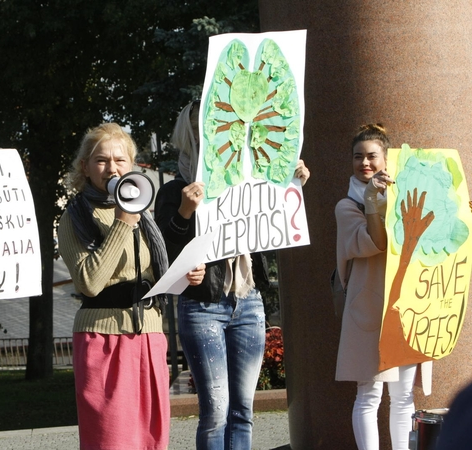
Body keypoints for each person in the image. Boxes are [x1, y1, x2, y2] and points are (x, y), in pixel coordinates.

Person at [154, 100, 310, 450]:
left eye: (215, 123)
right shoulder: (172, 189)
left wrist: (292, 183)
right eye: (198, 127)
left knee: (243, 409)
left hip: (247, 301)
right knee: (216, 411)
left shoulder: (245, 181)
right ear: (187, 133)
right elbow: (163, 249)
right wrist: (184, 211)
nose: (208, 133)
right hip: (202, 307)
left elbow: (274, 222)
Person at [58, 122, 176, 450]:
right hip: (103, 338)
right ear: (85, 167)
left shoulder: (143, 214)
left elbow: (152, 270)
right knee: (110, 441)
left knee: (152, 440)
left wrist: (183, 275)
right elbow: (89, 282)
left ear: (132, 165)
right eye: (101, 160)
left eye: (120, 160)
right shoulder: (76, 217)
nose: (112, 168)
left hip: (149, 335)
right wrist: (123, 223)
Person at [335, 123, 431, 450]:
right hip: (368, 310)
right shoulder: (347, 206)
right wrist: (373, 199)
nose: (365, 163)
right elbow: (375, 241)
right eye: (358, 157)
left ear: (386, 159)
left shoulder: (408, 197)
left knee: (403, 396)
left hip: (404, 305)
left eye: (372, 156)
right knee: (370, 393)